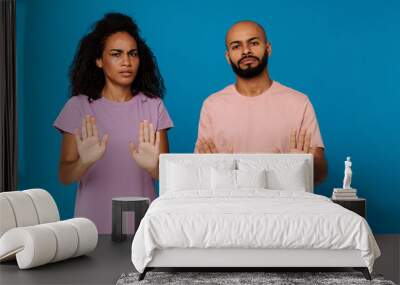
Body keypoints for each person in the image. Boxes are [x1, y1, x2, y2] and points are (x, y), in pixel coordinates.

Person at [53, 13, 173, 233]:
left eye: (132, 54)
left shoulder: (154, 106)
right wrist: (84, 162)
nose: (126, 62)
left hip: (143, 224)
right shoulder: (78, 106)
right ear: (99, 60)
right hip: (92, 225)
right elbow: (65, 175)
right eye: (116, 54)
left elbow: (167, 179)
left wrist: (152, 167)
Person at [195, 20, 327, 184]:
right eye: (236, 46)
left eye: (254, 43)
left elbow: (321, 173)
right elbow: (200, 171)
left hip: (286, 206)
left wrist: (302, 165)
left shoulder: (299, 103)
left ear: (268, 48)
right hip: (230, 206)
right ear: (228, 57)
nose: (246, 51)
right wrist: (214, 167)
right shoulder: (212, 106)